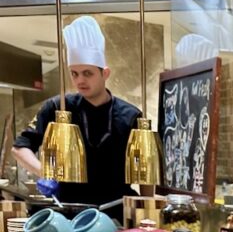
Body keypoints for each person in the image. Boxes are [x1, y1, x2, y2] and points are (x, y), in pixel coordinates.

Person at [13, 16, 142, 214]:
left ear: (105, 73)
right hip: (68, 209)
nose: (80, 80)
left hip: (116, 210)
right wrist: (46, 173)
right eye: (74, 73)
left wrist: (147, 212)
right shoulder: (57, 107)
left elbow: (144, 171)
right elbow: (20, 148)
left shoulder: (131, 115)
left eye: (87, 73)